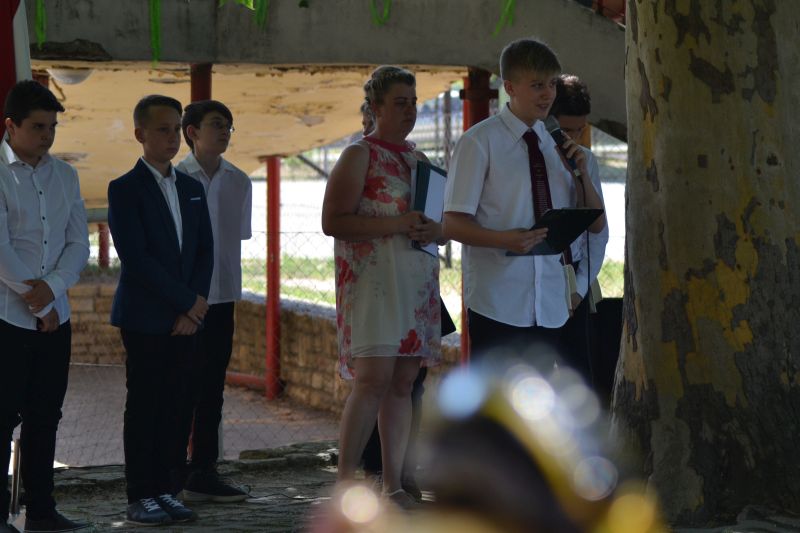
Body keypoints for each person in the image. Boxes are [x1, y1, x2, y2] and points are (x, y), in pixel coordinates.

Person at [443, 38, 607, 382]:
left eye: (552, 84)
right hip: (499, 300)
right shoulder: (479, 142)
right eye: (536, 85)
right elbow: (452, 224)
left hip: (552, 301)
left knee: (539, 402)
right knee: (497, 405)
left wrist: (581, 174)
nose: (547, 94)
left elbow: (595, 226)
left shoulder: (560, 145)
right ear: (510, 88)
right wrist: (505, 239)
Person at [321, 66, 443, 509]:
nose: (410, 111)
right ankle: (344, 487)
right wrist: (397, 223)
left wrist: (435, 229)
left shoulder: (419, 160)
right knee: (372, 381)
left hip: (415, 283)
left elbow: (435, 222)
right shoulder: (359, 155)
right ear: (375, 107)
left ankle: (392, 485)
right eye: (400, 103)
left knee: (404, 382)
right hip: (373, 283)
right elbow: (333, 221)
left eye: (413, 102)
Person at [107, 95, 213, 526]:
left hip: (187, 320)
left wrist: (194, 308)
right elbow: (136, 258)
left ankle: (168, 489)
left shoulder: (191, 188)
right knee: (145, 407)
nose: (173, 138)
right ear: (141, 134)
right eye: (163, 130)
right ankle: (140, 494)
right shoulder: (124, 188)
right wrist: (185, 302)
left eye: (176, 130)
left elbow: (204, 251)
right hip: (146, 318)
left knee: (179, 405)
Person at [0, 80, 91, 533]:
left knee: (45, 418)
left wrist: (52, 290)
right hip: (7, 317)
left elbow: (78, 243)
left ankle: (41, 511)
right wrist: (39, 303)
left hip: (56, 317)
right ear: (10, 126)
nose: (47, 136)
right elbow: (1, 249)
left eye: (52, 127)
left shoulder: (66, 176)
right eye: (38, 127)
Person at [173, 100, 252, 503]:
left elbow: (237, 237)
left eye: (229, 126)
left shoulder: (240, 180)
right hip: (185, 300)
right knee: (179, 388)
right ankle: (171, 474)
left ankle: (203, 470)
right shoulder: (174, 179)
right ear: (192, 132)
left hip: (222, 298)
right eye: (217, 124)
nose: (225, 132)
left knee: (212, 389)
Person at [549, 74, 609, 389]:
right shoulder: (535, 162)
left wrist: (581, 286)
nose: (572, 138)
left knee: (580, 375)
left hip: (576, 278)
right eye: (565, 130)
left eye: (579, 130)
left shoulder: (587, 160)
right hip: (542, 274)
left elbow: (598, 231)